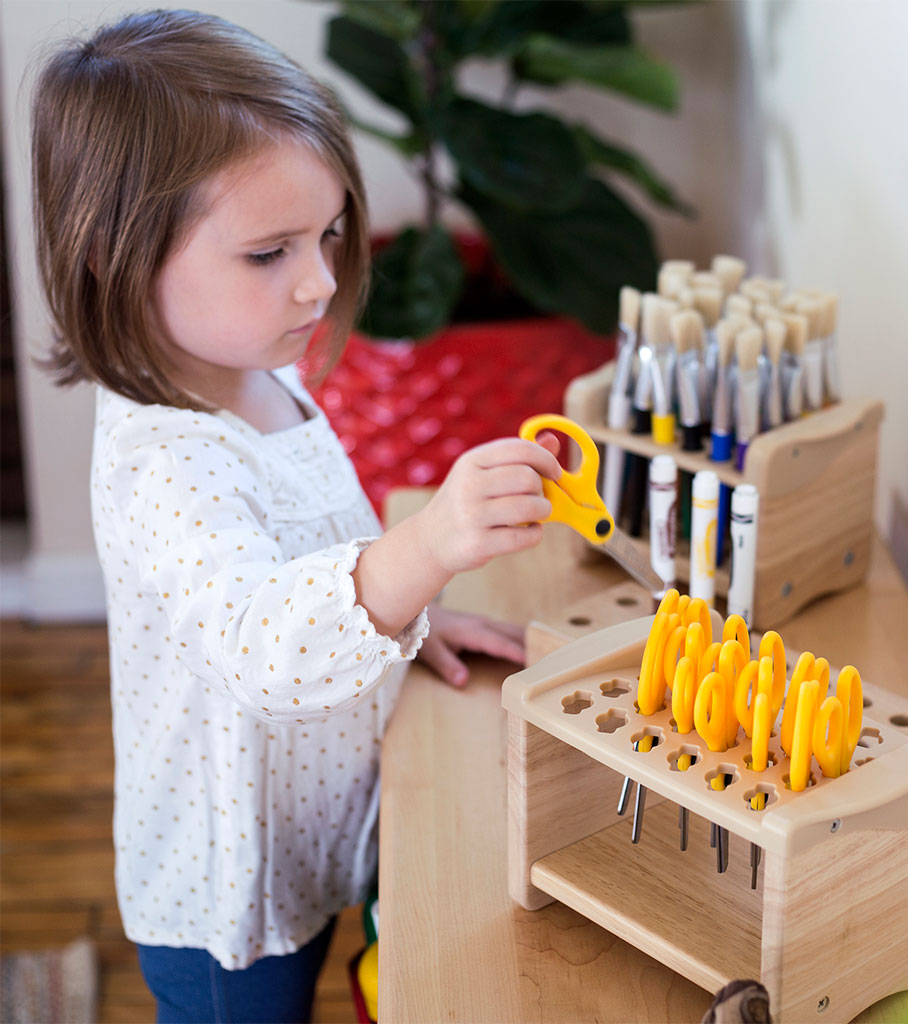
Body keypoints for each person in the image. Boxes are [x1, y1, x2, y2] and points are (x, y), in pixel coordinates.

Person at [30, 9, 561, 1021]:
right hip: (232, 891)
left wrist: (410, 608)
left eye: (324, 235)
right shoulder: (168, 457)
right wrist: (428, 544)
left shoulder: (252, 369)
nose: (319, 280)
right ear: (112, 253)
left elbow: (310, 558)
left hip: (311, 832)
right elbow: (266, 642)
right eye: (268, 252)